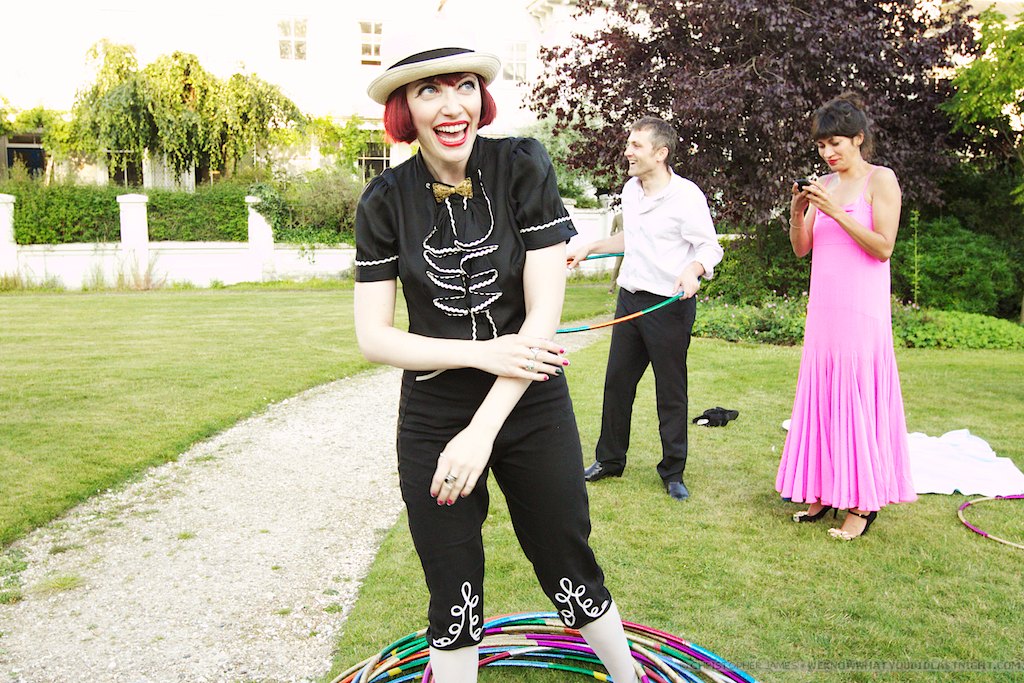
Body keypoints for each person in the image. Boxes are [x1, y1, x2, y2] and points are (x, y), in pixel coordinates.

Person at [352, 20, 639, 683]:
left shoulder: (522, 165)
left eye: (463, 86)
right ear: (405, 110)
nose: (451, 105)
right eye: (429, 91)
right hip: (435, 413)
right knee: (451, 589)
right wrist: (482, 357)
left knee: (568, 562)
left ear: (481, 98)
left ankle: (629, 678)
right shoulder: (383, 201)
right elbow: (373, 337)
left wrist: (482, 430)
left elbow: (543, 314)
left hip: (530, 400)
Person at [775, 93, 916, 540]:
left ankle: (861, 504)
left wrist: (835, 211)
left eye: (835, 143)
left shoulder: (881, 180)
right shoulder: (822, 184)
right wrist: (798, 213)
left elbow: (883, 247)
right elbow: (803, 248)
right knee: (822, 396)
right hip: (824, 312)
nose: (827, 153)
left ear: (858, 138)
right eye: (821, 146)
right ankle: (822, 491)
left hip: (861, 312)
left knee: (856, 398)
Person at [568, 117, 723, 501]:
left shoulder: (686, 196)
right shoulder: (631, 191)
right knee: (617, 384)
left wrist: (693, 269)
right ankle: (609, 460)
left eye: (636, 146)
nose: (628, 152)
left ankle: (673, 472)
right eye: (629, 144)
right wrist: (590, 247)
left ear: (661, 153)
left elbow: (709, 247)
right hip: (631, 299)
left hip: (669, 305)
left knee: (670, 391)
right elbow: (632, 238)